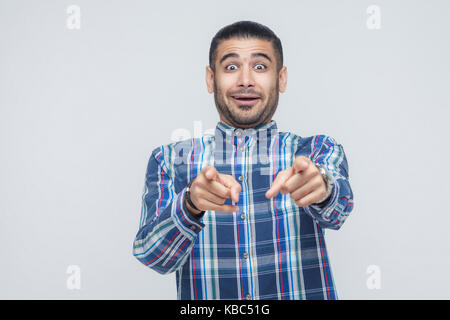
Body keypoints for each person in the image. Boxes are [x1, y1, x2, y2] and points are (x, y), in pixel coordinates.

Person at [132, 20, 354, 300]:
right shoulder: (169, 160)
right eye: (231, 67)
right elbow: (153, 257)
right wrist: (190, 204)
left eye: (260, 67)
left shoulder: (315, 151)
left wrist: (321, 187)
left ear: (281, 79)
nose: (246, 80)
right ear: (211, 79)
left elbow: (339, 211)